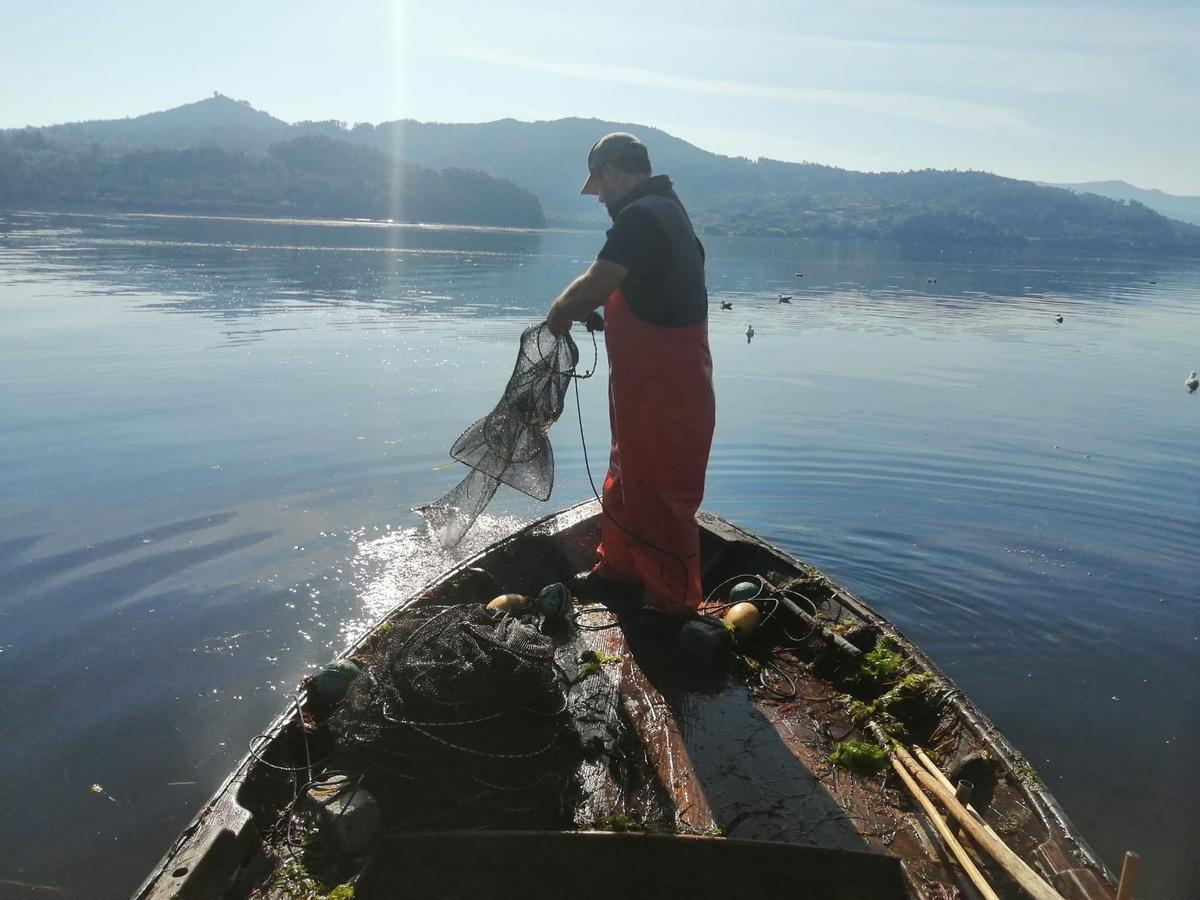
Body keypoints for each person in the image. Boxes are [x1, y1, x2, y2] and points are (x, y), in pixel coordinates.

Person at [546, 132, 715, 619]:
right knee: (626, 478)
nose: (598, 196)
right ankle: (619, 570)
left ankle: (674, 606)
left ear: (614, 173)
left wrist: (561, 313)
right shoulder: (666, 209)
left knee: (660, 495)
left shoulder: (641, 218)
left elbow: (588, 289)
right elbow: (650, 293)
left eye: (598, 185)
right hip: (648, 391)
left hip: (668, 393)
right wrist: (605, 317)